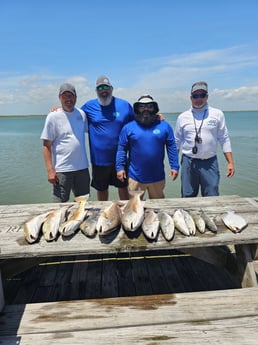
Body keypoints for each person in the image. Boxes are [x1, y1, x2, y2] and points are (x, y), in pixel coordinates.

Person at [174, 81, 235, 198]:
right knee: (187, 196)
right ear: (191, 98)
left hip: (210, 162)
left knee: (212, 195)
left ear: (207, 96)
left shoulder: (217, 114)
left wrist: (230, 162)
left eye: (202, 95)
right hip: (188, 162)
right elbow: (177, 141)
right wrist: (174, 165)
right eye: (195, 96)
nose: (198, 99)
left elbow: (224, 138)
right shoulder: (182, 117)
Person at [81, 76, 134, 201]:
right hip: (99, 161)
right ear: (96, 91)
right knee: (102, 189)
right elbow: (72, 114)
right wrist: (59, 109)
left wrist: (155, 117)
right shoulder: (88, 106)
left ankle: (126, 214)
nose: (103, 90)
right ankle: (104, 213)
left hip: (120, 159)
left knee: (123, 187)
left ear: (112, 89)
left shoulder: (124, 105)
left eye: (106, 87)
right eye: (100, 88)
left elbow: (137, 123)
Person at [116, 95, 179, 199]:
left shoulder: (164, 126)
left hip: (157, 177)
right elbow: (122, 149)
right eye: (142, 106)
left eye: (149, 106)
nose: (146, 109)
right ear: (137, 109)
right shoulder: (128, 127)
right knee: (135, 209)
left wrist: (174, 166)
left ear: (154, 108)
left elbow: (171, 146)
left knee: (158, 209)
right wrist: (119, 168)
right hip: (135, 177)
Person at [41, 83, 90, 202]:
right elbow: (46, 146)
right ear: (60, 98)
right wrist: (50, 170)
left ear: (76, 98)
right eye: (65, 96)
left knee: (83, 205)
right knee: (58, 206)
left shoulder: (81, 114)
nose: (68, 99)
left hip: (82, 169)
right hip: (62, 170)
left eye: (71, 96)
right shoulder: (53, 116)